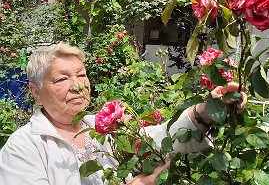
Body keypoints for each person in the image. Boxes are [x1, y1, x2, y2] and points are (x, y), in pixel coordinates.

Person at [0, 42, 247, 185]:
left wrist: (203, 111)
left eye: (82, 75)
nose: (77, 85)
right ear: (36, 91)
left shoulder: (102, 126)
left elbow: (157, 139)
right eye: (62, 78)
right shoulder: (24, 146)